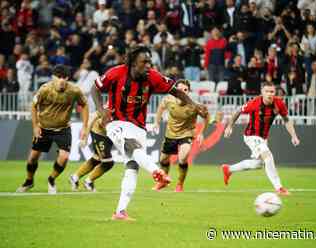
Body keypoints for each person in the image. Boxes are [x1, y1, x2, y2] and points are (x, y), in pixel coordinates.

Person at [91, 45, 207, 221]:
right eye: (143, 62)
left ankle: (120, 212)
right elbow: (95, 88)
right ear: (132, 63)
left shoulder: (153, 76)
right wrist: (100, 110)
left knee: (132, 167)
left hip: (139, 127)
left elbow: (176, 91)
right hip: (116, 122)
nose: (148, 66)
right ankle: (157, 172)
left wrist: (194, 105)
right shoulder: (116, 73)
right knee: (132, 147)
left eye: (149, 62)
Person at [16, 65, 89, 194]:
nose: (62, 80)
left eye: (64, 77)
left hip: (63, 128)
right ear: (53, 77)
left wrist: (84, 126)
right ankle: (29, 181)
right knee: (32, 158)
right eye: (59, 77)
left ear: (68, 78)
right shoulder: (45, 89)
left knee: (64, 157)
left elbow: (84, 105)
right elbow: (33, 106)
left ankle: (51, 179)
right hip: (44, 128)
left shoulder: (74, 91)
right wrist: (35, 126)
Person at [221, 81, 300, 196]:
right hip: (251, 136)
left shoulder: (279, 104)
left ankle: (228, 169)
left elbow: (286, 120)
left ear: (275, 92)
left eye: (272, 91)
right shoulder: (255, 103)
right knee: (268, 156)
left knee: (259, 164)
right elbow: (238, 111)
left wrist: (294, 135)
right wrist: (229, 126)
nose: (269, 94)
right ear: (262, 92)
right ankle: (279, 188)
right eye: (267, 91)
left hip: (262, 138)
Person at [152, 79, 210, 192]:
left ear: (188, 91)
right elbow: (161, 107)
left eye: (185, 90)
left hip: (186, 134)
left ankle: (180, 184)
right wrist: (156, 122)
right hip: (171, 134)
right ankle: (162, 181)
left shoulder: (194, 105)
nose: (183, 92)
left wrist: (202, 133)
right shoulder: (169, 99)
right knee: (163, 160)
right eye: (180, 89)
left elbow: (207, 117)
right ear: (175, 90)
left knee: (183, 158)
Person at [69, 111, 114, 192]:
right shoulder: (110, 106)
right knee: (108, 163)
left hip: (108, 136)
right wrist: (85, 138)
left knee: (97, 159)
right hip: (99, 134)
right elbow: (92, 117)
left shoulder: (126, 108)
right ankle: (88, 181)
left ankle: (74, 177)